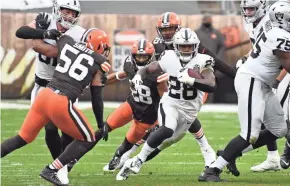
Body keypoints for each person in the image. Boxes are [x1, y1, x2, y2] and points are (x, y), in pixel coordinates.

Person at [116, 11, 238, 170]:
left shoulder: (192, 43)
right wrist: (134, 75)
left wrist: (238, 76)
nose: (167, 32)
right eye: (164, 29)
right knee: (160, 124)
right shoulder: (158, 43)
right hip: (168, 84)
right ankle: (127, 154)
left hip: (193, 86)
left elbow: (217, 63)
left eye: (171, 28)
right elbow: (140, 62)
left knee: (183, 114)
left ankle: (205, 148)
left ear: (178, 28)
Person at [1, 28, 111, 186]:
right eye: (105, 47)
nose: (105, 52)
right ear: (99, 46)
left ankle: (55, 169)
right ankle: (52, 169)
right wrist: (101, 123)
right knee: (87, 138)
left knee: (22, 138)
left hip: (44, 95)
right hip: (61, 100)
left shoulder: (68, 42)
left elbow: (57, 35)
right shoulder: (101, 63)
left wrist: (49, 33)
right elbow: (96, 97)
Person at [199, 1, 290, 182]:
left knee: (279, 129)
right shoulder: (280, 36)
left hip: (262, 81)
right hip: (251, 80)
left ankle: (229, 154)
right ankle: (212, 171)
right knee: (250, 134)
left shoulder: (270, 26)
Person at [117, 28, 216, 180]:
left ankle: (131, 160)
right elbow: (148, 68)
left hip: (190, 109)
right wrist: (138, 75)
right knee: (167, 129)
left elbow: (211, 84)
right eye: (183, 46)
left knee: (170, 140)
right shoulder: (169, 57)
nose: (186, 49)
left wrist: (191, 80)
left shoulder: (203, 60)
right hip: (170, 102)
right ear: (176, 47)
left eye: (189, 46)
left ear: (195, 46)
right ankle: (138, 160)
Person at [15, 0, 87, 176]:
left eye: (73, 13)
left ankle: (61, 164)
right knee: (49, 128)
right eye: (66, 10)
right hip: (43, 86)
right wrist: (44, 32)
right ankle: (60, 165)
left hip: (66, 86)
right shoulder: (46, 19)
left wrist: (50, 46)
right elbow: (21, 32)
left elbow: (43, 48)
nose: (69, 15)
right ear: (57, 9)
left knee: (68, 129)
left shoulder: (79, 33)